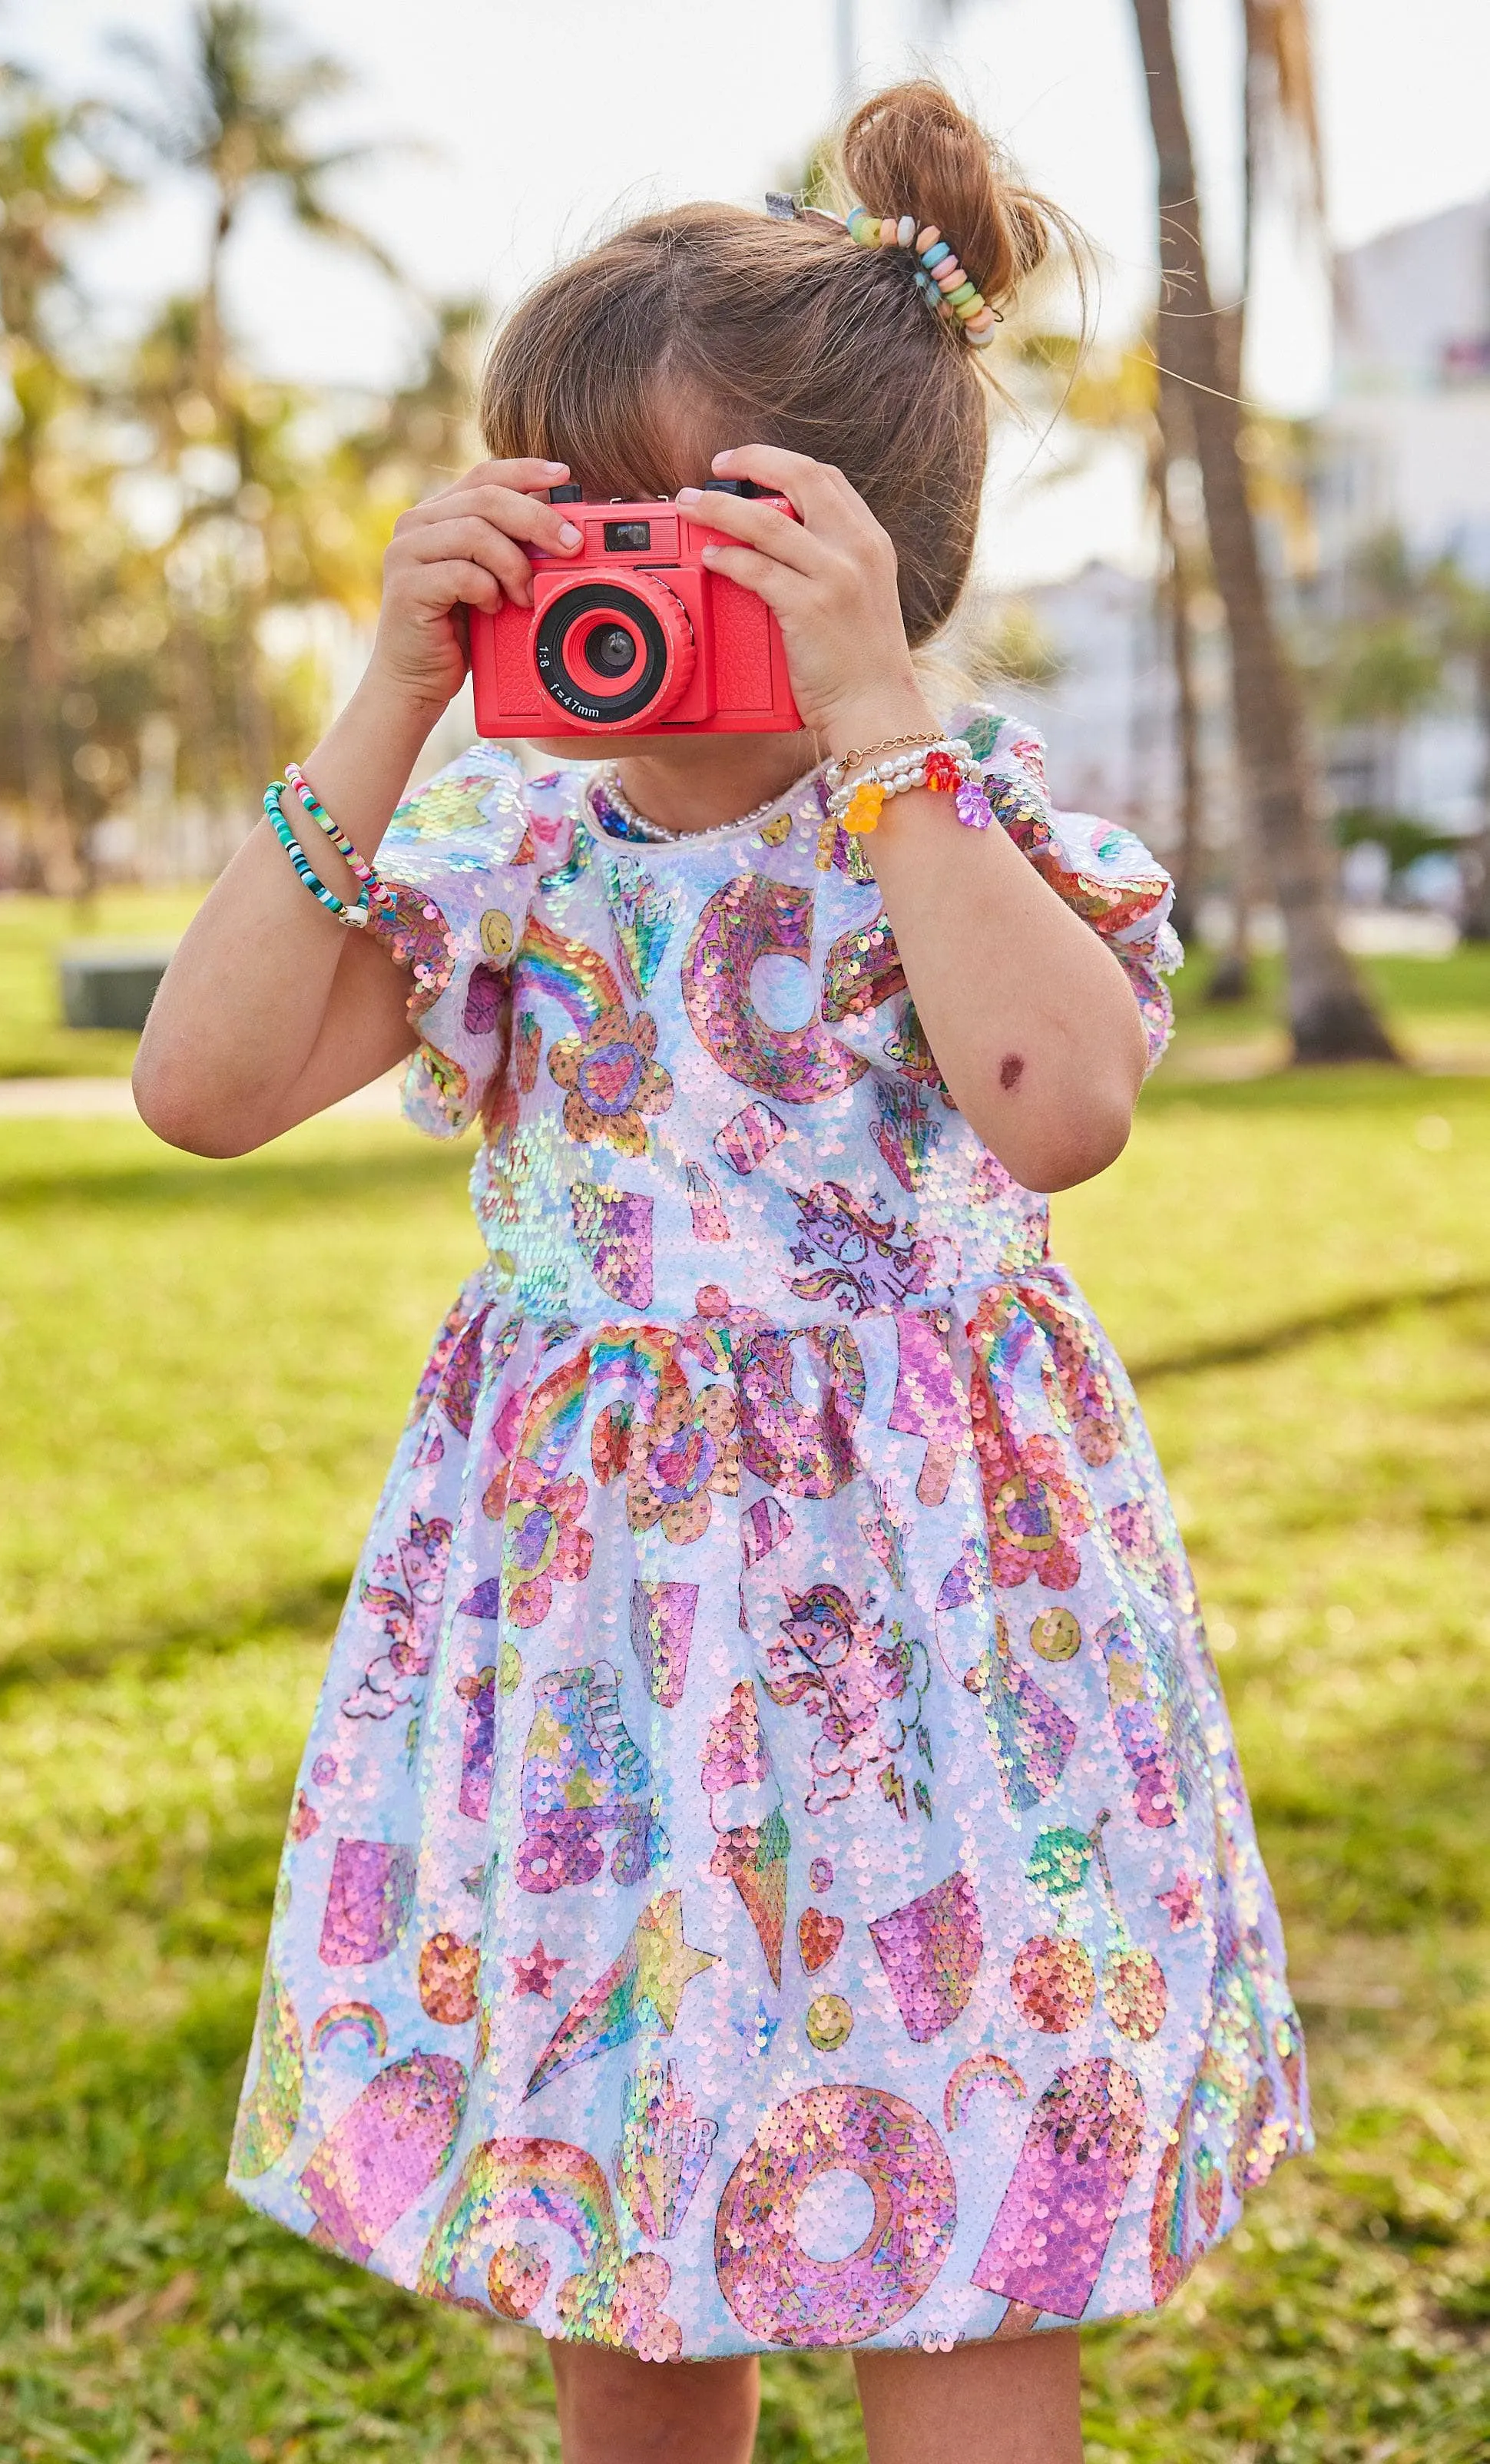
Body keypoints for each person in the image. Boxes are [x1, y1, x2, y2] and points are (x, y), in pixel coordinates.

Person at [134, 78, 1307, 2464]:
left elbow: (1057, 1104)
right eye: (560, 517)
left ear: (871, 558)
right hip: (594, 1663)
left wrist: (881, 734)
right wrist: (392, 687)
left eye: (691, 533)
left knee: (967, 2193)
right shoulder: (492, 850)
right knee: (630, 2214)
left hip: (942, 1662)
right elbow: (206, 1083)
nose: (606, 579)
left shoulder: (970, 840)